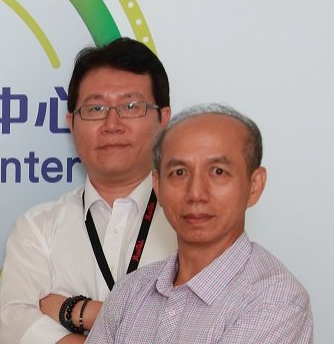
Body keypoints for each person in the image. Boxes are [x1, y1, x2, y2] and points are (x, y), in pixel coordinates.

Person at [0, 37, 178, 343]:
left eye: (131, 106)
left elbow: (203, 323)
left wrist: (74, 311)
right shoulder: (38, 227)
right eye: (95, 108)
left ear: (163, 120)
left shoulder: (192, 222)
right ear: (72, 123)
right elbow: (13, 325)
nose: (112, 124)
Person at [86, 103, 313, 343]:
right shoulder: (130, 291)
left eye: (218, 172)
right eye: (179, 173)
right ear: (158, 187)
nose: (195, 193)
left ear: (254, 186)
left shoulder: (276, 299)